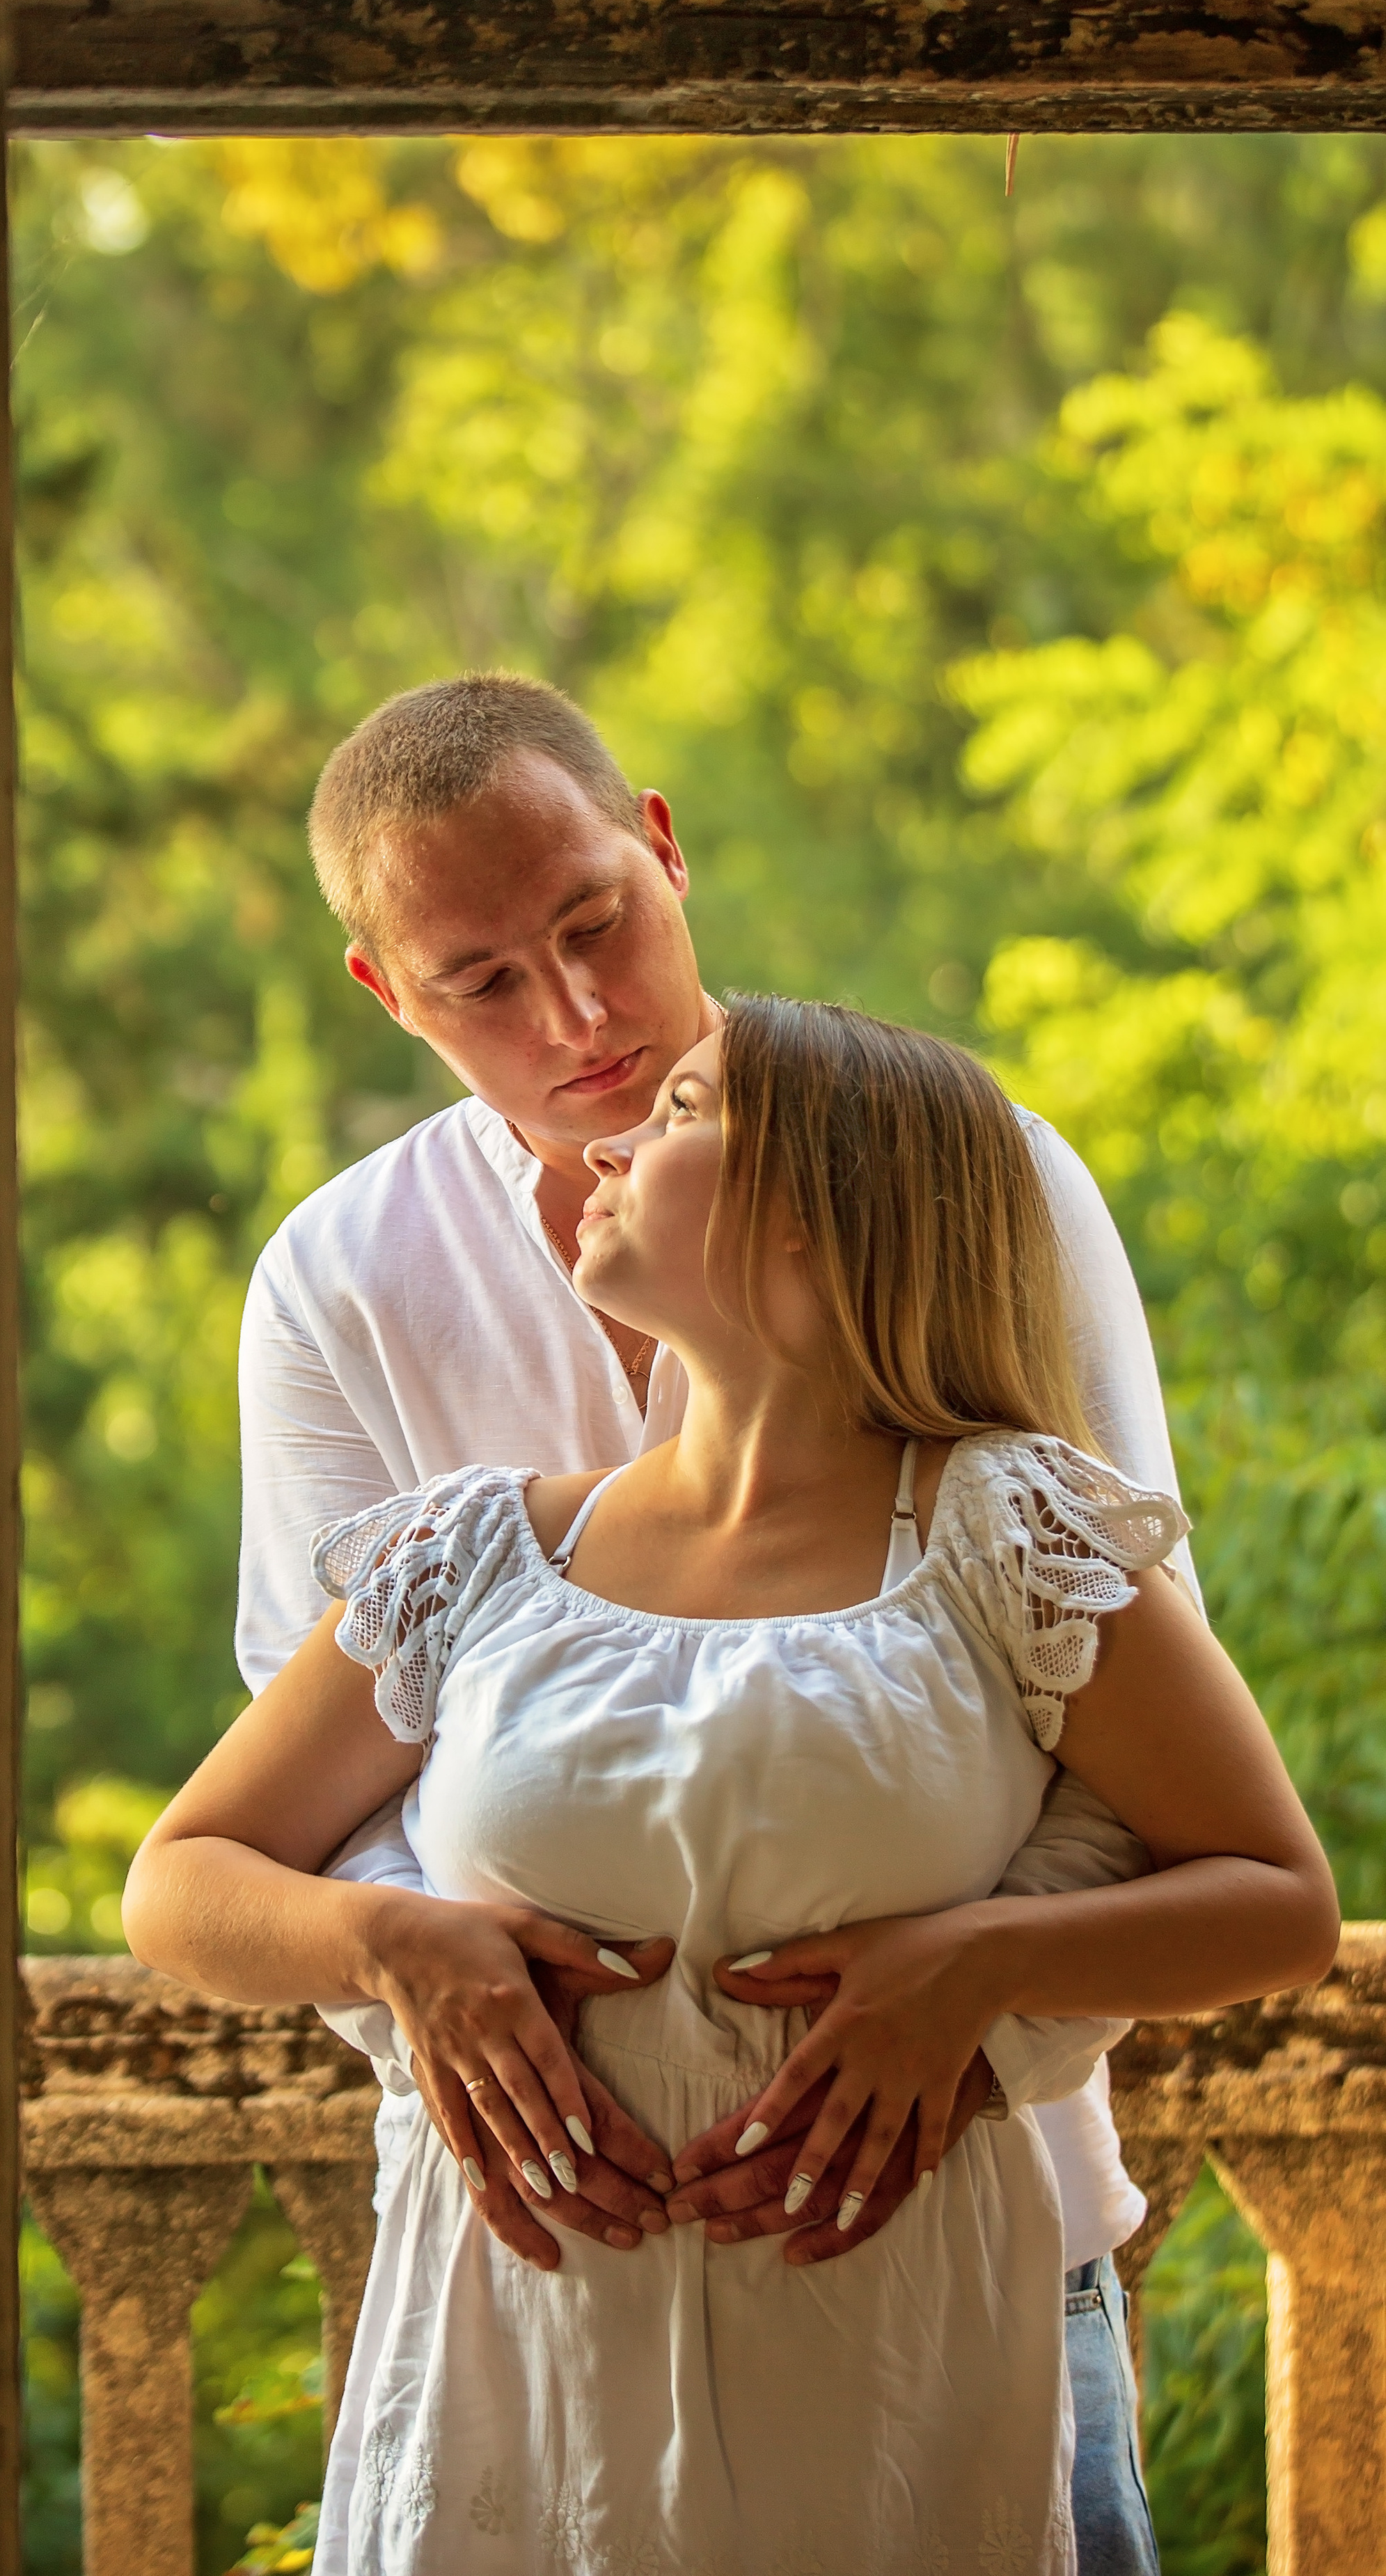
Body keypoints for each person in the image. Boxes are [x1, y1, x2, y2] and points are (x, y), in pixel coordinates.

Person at [125, 1000, 1337, 2576]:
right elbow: (182, 1880)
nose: (613, 1141)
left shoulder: (1006, 1534)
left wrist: (981, 1964)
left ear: (810, 1222)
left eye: (683, 1110)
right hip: (520, 2353)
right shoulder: (475, 1551)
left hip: (884, 2356)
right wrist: (393, 1945)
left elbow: (1276, 1905)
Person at [230, 675, 1190, 2566]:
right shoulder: (340, 1283)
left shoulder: (959, 1173)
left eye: (598, 924)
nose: (577, 1017)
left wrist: (969, 2019)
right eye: (485, 981)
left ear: (662, 847)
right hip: (535, 2271)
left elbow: (1126, 1704)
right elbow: (312, 1766)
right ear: (386, 999)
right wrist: (515, 2046)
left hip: (953, 2219)